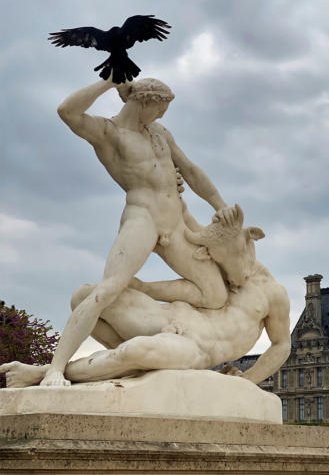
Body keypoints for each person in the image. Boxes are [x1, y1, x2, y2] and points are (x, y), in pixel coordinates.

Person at [40, 78, 232, 387]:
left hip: (175, 222)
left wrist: (219, 205)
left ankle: (150, 328)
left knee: (215, 295)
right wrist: (109, 82)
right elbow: (67, 111)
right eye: (159, 108)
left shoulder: (158, 132)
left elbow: (191, 170)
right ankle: (55, 369)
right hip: (143, 217)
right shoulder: (109, 133)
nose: (162, 115)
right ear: (143, 100)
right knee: (106, 291)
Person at [0, 206, 291, 388]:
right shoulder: (215, 255)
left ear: (250, 242)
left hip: (196, 347)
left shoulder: (273, 294)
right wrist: (176, 194)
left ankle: (43, 373)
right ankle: (111, 366)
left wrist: (249, 380)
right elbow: (188, 229)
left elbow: (281, 345)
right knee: (86, 296)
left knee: (134, 351)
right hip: (169, 318)